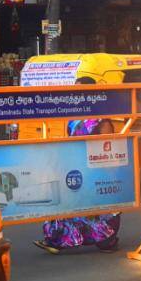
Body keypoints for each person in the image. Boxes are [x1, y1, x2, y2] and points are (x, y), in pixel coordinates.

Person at [33, 77, 122, 255]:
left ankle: (106, 238)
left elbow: (108, 146)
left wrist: (107, 172)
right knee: (68, 204)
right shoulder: (73, 118)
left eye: (81, 91)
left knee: (96, 209)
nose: (77, 95)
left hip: (95, 170)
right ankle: (56, 239)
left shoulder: (101, 120)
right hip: (76, 167)